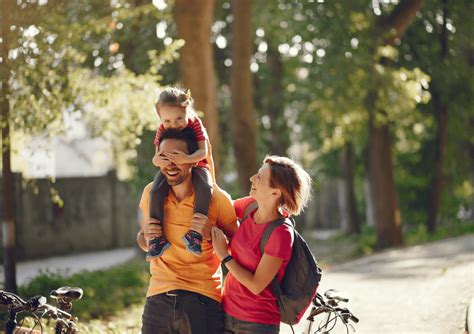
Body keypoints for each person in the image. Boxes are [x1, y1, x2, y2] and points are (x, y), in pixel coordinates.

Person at [137, 128, 238, 334]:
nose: (170, 165)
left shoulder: (217, 199)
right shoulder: (151, 193)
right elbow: (142, 240)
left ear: (193, 160)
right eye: (165, 157)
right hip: (158, 298)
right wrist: (145, 236)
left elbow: (239, 246)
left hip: (202, 299)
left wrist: (211, 231)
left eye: (177, 157)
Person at [212, 155, 312, 333]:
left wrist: (224, 256)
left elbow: (256, 285)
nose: (252, 179)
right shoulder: (250, 206)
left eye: (259, 177)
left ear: (275, 192)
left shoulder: (281, 233)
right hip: (225, 312)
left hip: (257, 323)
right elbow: (218, 207)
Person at [147, 87, 214, 259]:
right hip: (170, 167)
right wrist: (160, 161)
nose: (174, 125)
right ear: (160, 119)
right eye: (167, 120)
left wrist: (186, 159)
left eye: (179, 119)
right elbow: (155, 158)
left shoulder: (195, 124)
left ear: (187, 111)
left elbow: (203, 152)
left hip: (195, 165)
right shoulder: (163, 129)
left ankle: (194, 233)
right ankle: (157, 238)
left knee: (205, 188)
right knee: (155, 191)